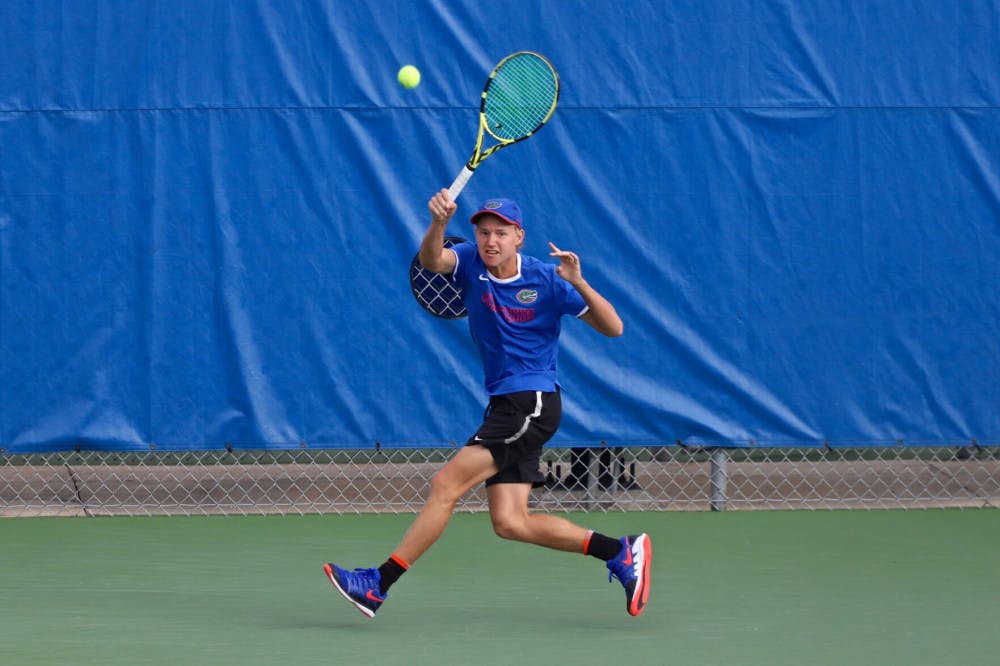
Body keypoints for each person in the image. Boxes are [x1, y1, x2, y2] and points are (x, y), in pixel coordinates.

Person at [323, 189, 652, 618]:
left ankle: (378, 585)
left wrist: (579, 282)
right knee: (510, 522)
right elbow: (431, 262)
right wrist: (439, 222)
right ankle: (621, 552)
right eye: (482, 233)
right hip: (506, 405)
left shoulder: (547, 280)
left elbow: (613, 327)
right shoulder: (469, 264)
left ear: (519, 237)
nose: (490, 241)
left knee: (446, 485)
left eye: (500, 233)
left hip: (531, 402)